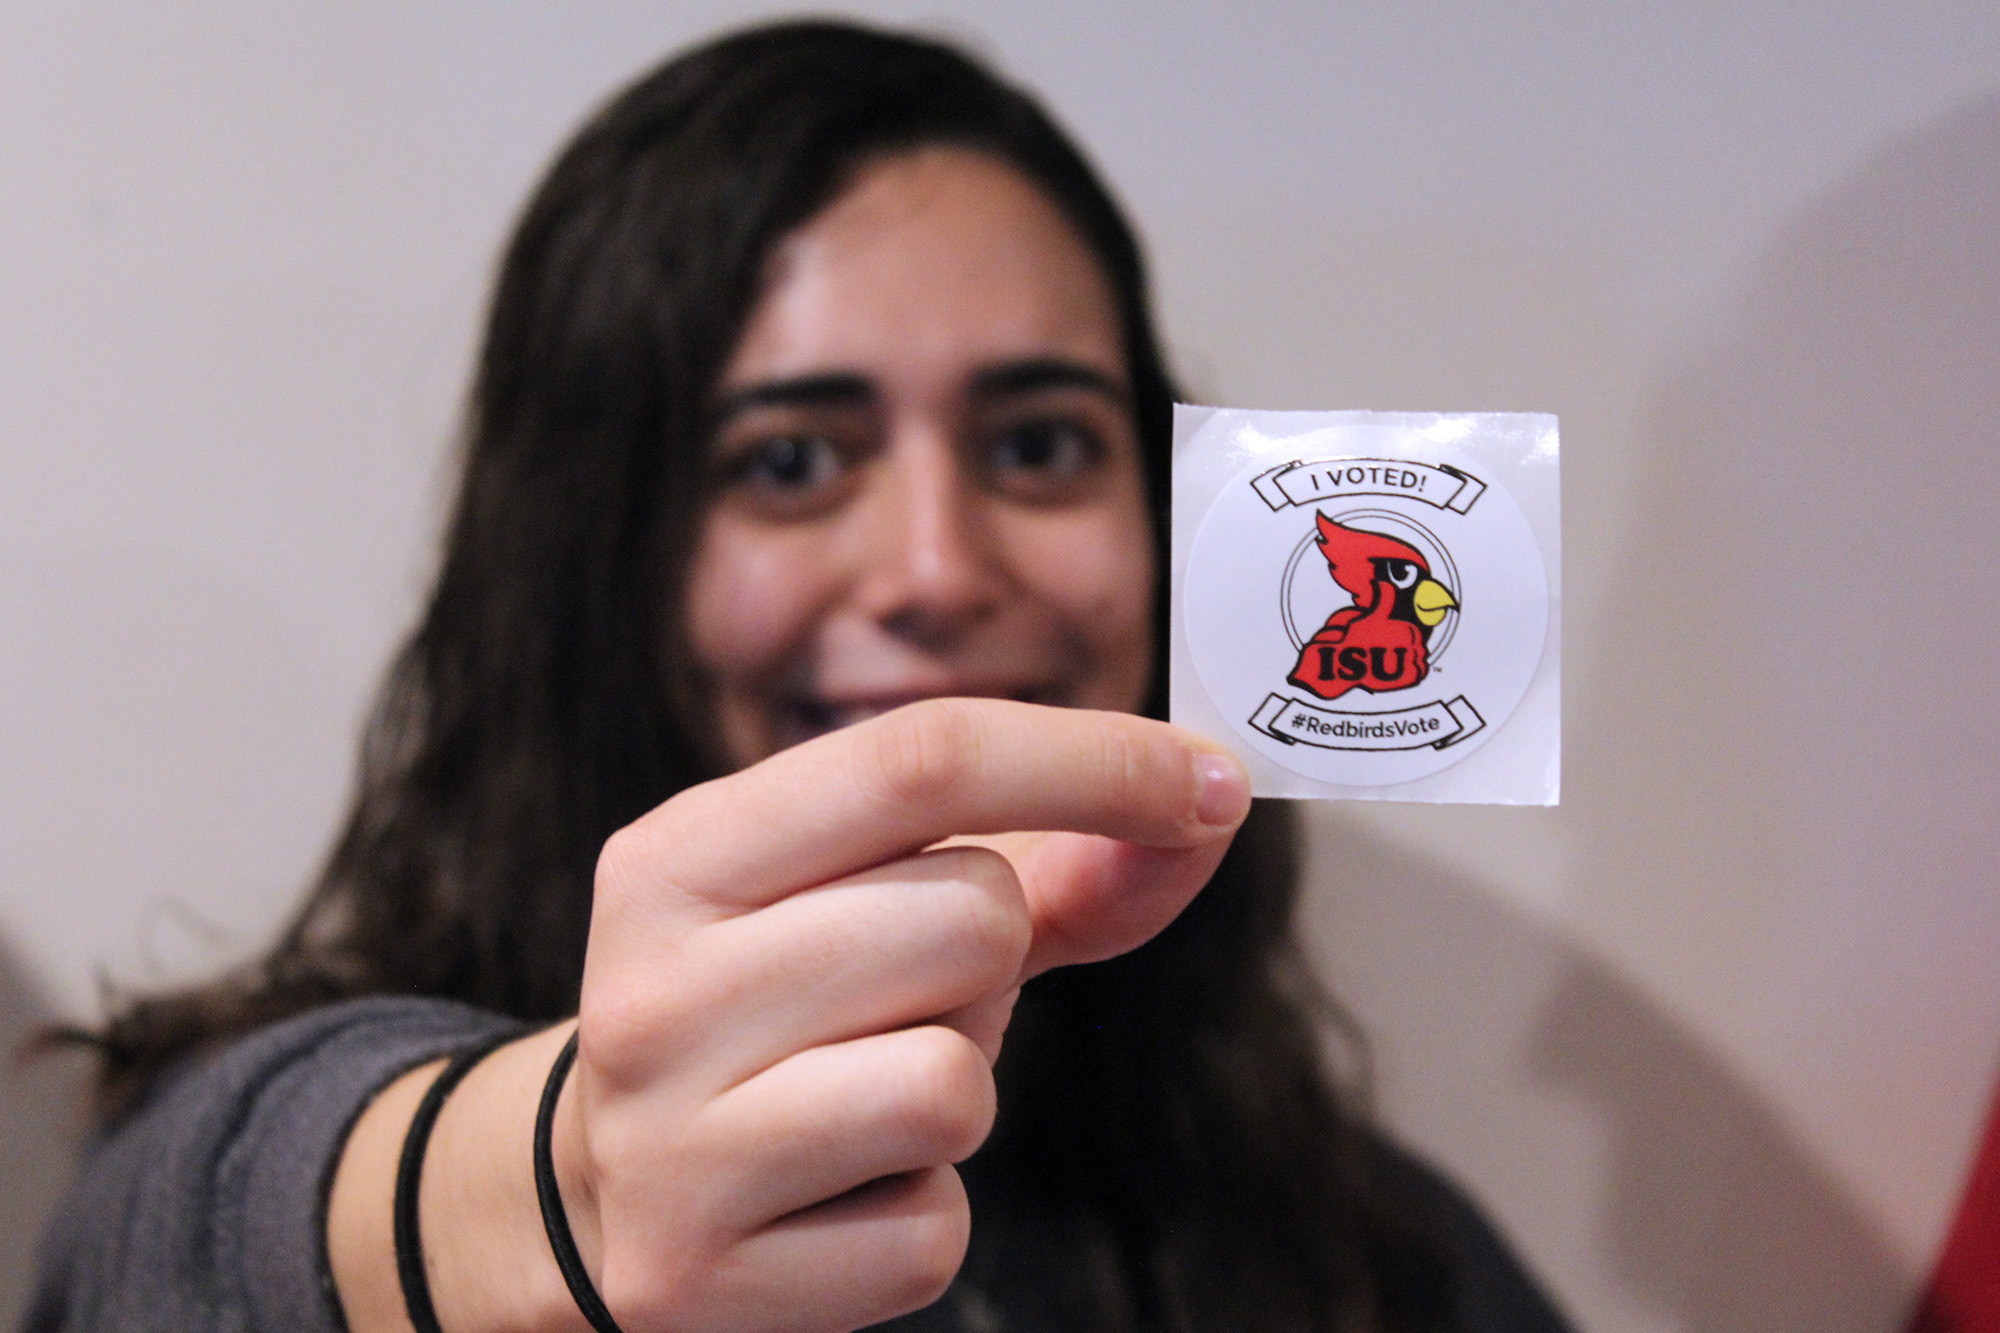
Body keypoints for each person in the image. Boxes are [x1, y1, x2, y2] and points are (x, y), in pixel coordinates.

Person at [26, 20, 1573, 1333]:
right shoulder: (239, 1151)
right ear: (596, 551)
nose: (938, 567)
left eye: (1038, 444)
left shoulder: (1378, 1257)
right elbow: (182, 1234)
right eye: (789, 460)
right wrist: (557, 1175)